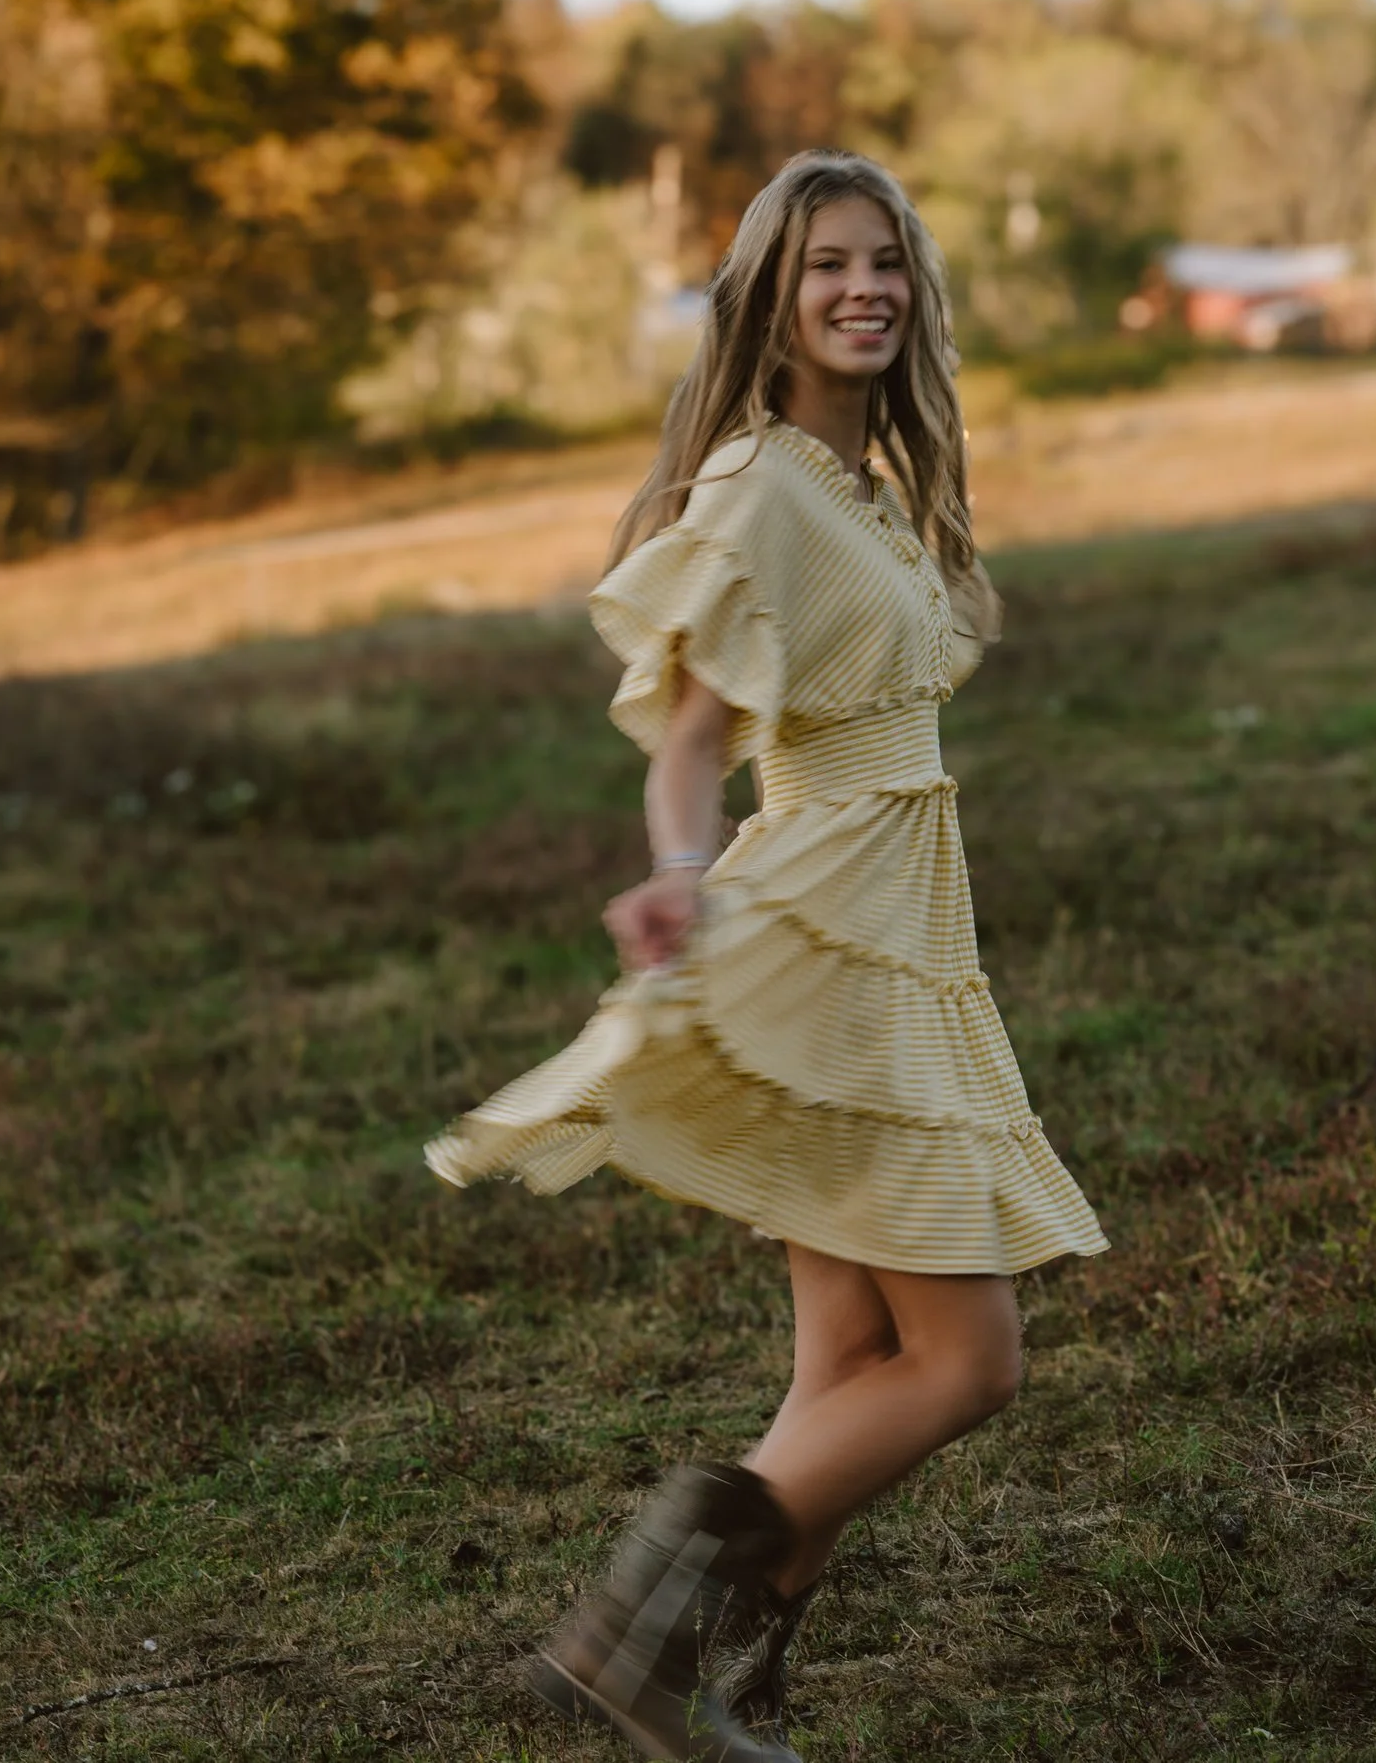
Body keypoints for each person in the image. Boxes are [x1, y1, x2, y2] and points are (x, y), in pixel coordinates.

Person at [425, 149, 1109, 1762]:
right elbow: (692, 743)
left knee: (856, 1356)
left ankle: (722, 1684)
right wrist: (675, 874)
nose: (862, 287)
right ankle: (629, 1632)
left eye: (884, 261)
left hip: (892, 925)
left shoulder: (864, 478)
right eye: (825, 267)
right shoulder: (765, 489)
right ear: (771, 300)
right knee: (968, 1360)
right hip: (833, 935)